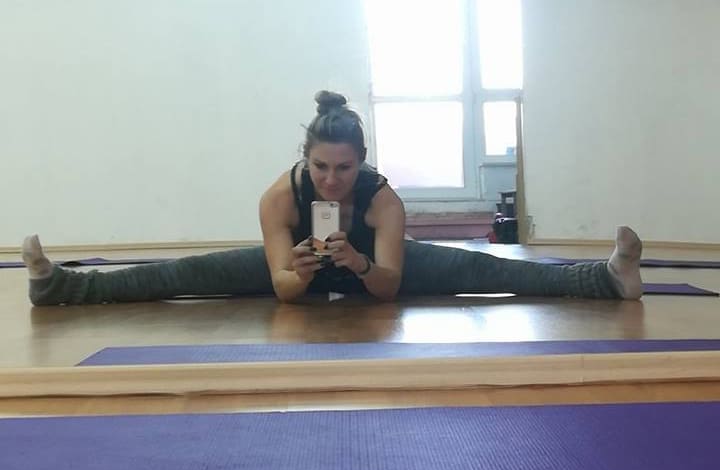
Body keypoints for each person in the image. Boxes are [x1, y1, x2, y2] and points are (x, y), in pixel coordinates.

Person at [22, 91, 643, 306]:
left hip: (372, 269)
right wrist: (295, 272)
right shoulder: (279, 198)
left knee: (488, 271)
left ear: (362, 162)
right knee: (181, 275)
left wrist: (361, 262)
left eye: (344, 168)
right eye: (320, 167)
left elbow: (389, 289)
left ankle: (607, 278)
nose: (331, 180)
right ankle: (60, 287)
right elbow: (285, 294)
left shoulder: (383, 202)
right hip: (299, 272)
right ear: (306, 159)